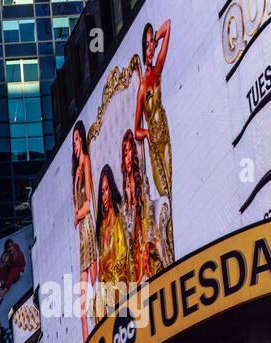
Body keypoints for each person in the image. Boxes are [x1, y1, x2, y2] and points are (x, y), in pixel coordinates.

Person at [134, 19, 173, 260]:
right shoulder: (141, 87)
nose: (150, 47)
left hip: (165, 138)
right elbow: (136, 127)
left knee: (171, 189)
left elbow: (168, 25)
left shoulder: (157, 69)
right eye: (146, 43)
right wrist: (147, 134)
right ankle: (169, 249)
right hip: (154, 145)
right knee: (164, 195)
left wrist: (157, 39)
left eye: (152, 43)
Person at [121, 129, 163, 284]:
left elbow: (149, 212)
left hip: (148, 238)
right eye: (124, 154)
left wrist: (147, 243)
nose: (127, 157)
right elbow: (129, 232)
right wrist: (130, 197)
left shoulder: (141, 180)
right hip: (137, 247)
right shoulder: (126, 192)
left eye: (129, 151)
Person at [72, 120, 98, 340]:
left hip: (87, 227)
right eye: (74, 142)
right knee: (81, 302)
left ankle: (100, 328)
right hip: (82, 233)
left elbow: (88, 202)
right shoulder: (78, 170)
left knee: (94, 285)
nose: (76, 145)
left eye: (78, 139)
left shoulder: (87, 161)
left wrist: (78, 215)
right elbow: (76, 203)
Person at [96, 164, 131, 323]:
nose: (104, 196)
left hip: (120, 284)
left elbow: (123, 255)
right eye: (101, 192)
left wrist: (111, 280)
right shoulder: (102, 227)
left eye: (106, 190)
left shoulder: (117, 218)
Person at [0, 238, 26, 306]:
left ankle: (4, 289)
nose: (10, 249)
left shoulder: (18, 253)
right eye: (8, 248)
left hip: (14, 275)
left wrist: (16, 259)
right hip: (5, 274)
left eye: (11, 247)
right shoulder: (6, 253)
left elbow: (22, 266)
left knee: (13, 271)